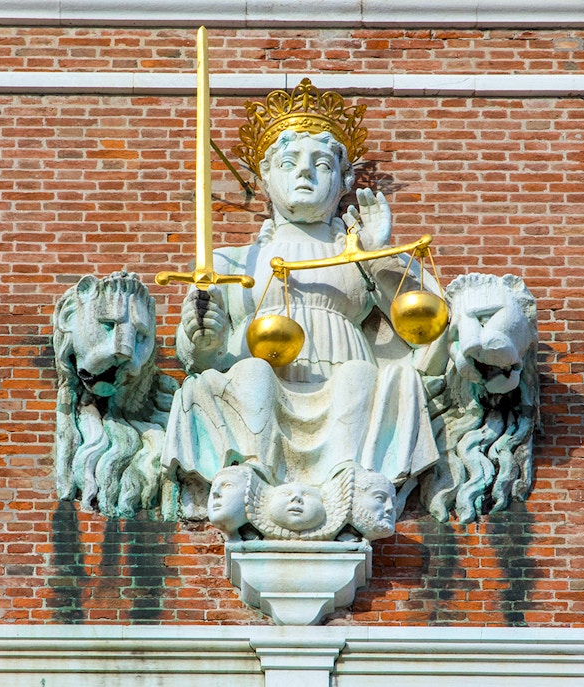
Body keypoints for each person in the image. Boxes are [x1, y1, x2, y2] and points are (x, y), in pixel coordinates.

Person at [161, 82, 439, 516]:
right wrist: (203, 334)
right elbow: (198, 352)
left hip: (346, 372)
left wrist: (378, 254)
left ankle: (348, 476)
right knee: (252, 373)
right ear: (264, 178)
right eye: (288, 163)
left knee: (357, 378)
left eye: (321, 163)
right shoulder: (232, 260)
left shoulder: (357, 249)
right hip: (262, 373)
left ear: (343, 180)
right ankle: (256, 471)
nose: (305, 173)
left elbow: (421, 323)